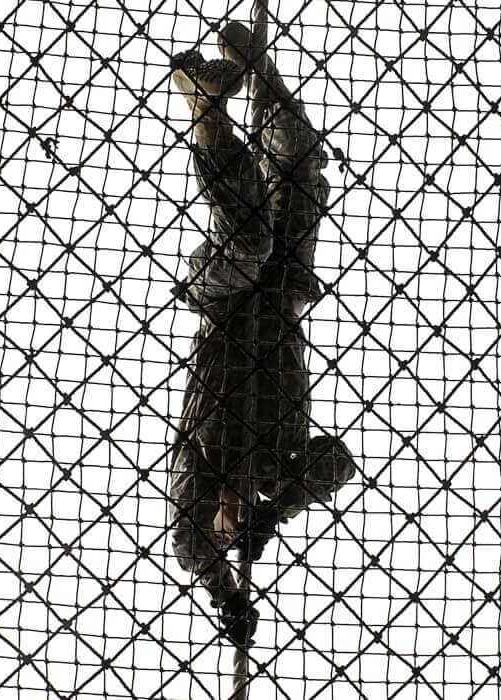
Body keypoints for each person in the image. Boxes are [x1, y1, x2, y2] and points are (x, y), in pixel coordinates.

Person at [166, 21, 358, 646]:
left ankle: (205, 108)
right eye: (231, 526)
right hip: (278, 298)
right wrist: (272, 510)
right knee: (299, 168)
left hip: (221, 300)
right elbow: (339, 465)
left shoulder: (199, 468)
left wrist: (226, 594)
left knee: (248, 239)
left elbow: (190, 547)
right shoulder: (278, 471)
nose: (226, 522)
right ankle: (260, 76)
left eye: (220, 526)